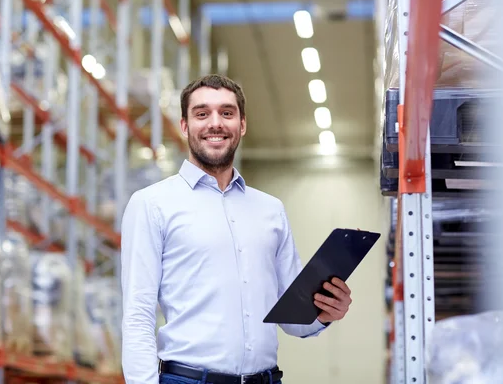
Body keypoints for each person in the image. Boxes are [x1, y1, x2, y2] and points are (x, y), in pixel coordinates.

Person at [120, 74, 353, 384]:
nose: (215, 123)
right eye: (202, 114)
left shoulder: (271, 210)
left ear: (242, 125)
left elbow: (294, 318)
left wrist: (325, 312)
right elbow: (137, 314)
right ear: (185, 126)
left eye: (227, 113)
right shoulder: (152, 204)